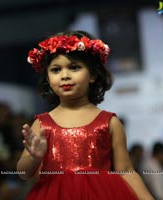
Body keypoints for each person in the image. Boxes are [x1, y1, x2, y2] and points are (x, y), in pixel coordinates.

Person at [17, 30, 153, 200]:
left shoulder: (110, 122)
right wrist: (34, 158)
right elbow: (23, 173)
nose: (65, 76)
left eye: (74, 67)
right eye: (56, 70)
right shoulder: (42, 124)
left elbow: (125, 171)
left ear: (93, 75)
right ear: (47, 78)